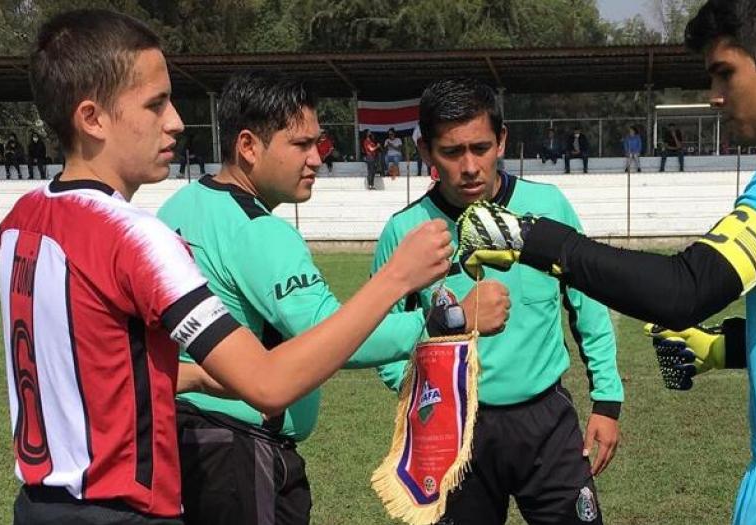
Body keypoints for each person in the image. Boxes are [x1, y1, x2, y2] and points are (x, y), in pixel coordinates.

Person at [454, 1, 756, 523]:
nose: (716, 96)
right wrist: (723, 348)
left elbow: (683, 291)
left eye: (725, 72)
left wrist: (536, 240)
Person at [0, 10, 453, 525]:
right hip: (125, 507)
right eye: (155, 104)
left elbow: (102, 366)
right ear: (92, 118)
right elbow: (268, 384)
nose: (175, 121)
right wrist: (399, 278)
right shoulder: (138, 236)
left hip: (40, 504)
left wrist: (193, 378)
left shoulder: (22, 221)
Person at [158, 72, 509, 525]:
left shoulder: (181, 206)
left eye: (318, 145)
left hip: (182, 440)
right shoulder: (260, 231)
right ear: (248, 146)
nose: (316, 160)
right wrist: (455, 319)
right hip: (240, 454)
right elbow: (334, 336)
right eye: (300, 145)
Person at [375, 78, 623, 525]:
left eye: (481, 148)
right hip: (456, 433)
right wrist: (424, 396)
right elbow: (378, 332)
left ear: (502, 140)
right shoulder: (404, 231)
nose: (470, 166)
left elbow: (589, 307)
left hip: (546, 422)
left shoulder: (548, 207)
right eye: (452, 152)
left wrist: (607, 401)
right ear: (427, 152)